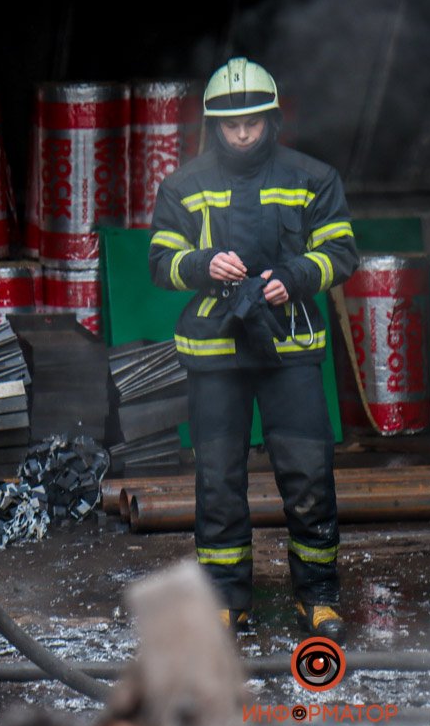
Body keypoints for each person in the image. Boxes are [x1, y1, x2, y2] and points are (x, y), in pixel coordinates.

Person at [148, 58, 359, 642]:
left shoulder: (312, 177)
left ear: (272, 118)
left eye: (253, 123)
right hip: (216, 355)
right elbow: (161, 261)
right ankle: (225, 601)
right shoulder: (183, 185)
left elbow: (341, 250)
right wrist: (200, 264)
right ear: (214, 124)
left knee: (309, 476)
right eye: (231, 125)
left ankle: (317, 598)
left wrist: (295, 275)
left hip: (290, 348)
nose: (243, 134)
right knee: (217, 481)